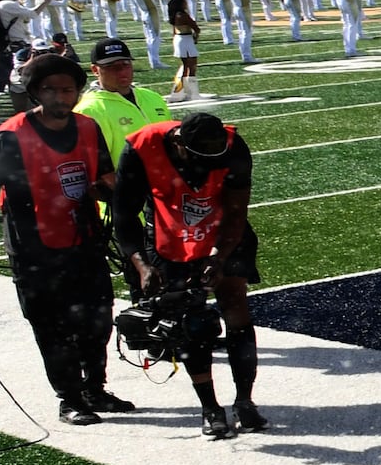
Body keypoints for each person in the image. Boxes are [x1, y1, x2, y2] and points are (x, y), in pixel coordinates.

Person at [0, 56, 126, 426]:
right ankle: (69, 398)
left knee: (98, 319)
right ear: (35, 92)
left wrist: (110, 192)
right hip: (34, 246)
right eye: (50, 90)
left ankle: (95, 388)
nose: (60, 97)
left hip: (84, 239)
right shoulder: (12, 134)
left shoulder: (87, 126)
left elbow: (105, 176)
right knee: (52, 325)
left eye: (67, 90)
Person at [112, 101, 266, 437]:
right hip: (168, 235)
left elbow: (236, 212)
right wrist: (141, 266)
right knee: (190, 320)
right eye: (199, 159)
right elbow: (123, 215)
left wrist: (219, 257)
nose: (205, 168)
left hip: (223, 231)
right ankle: (210, 408)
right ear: (179, 144)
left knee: (237, 311)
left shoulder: (233, 147)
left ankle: (245, 401)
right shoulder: (140, 148)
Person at [74, 38, 171, 168]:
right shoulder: (89, 110)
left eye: (125, 64)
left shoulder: (152, 97)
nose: (121, 71)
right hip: (127, 179)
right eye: (111, 67)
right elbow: (94, 165)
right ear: (95, 70)